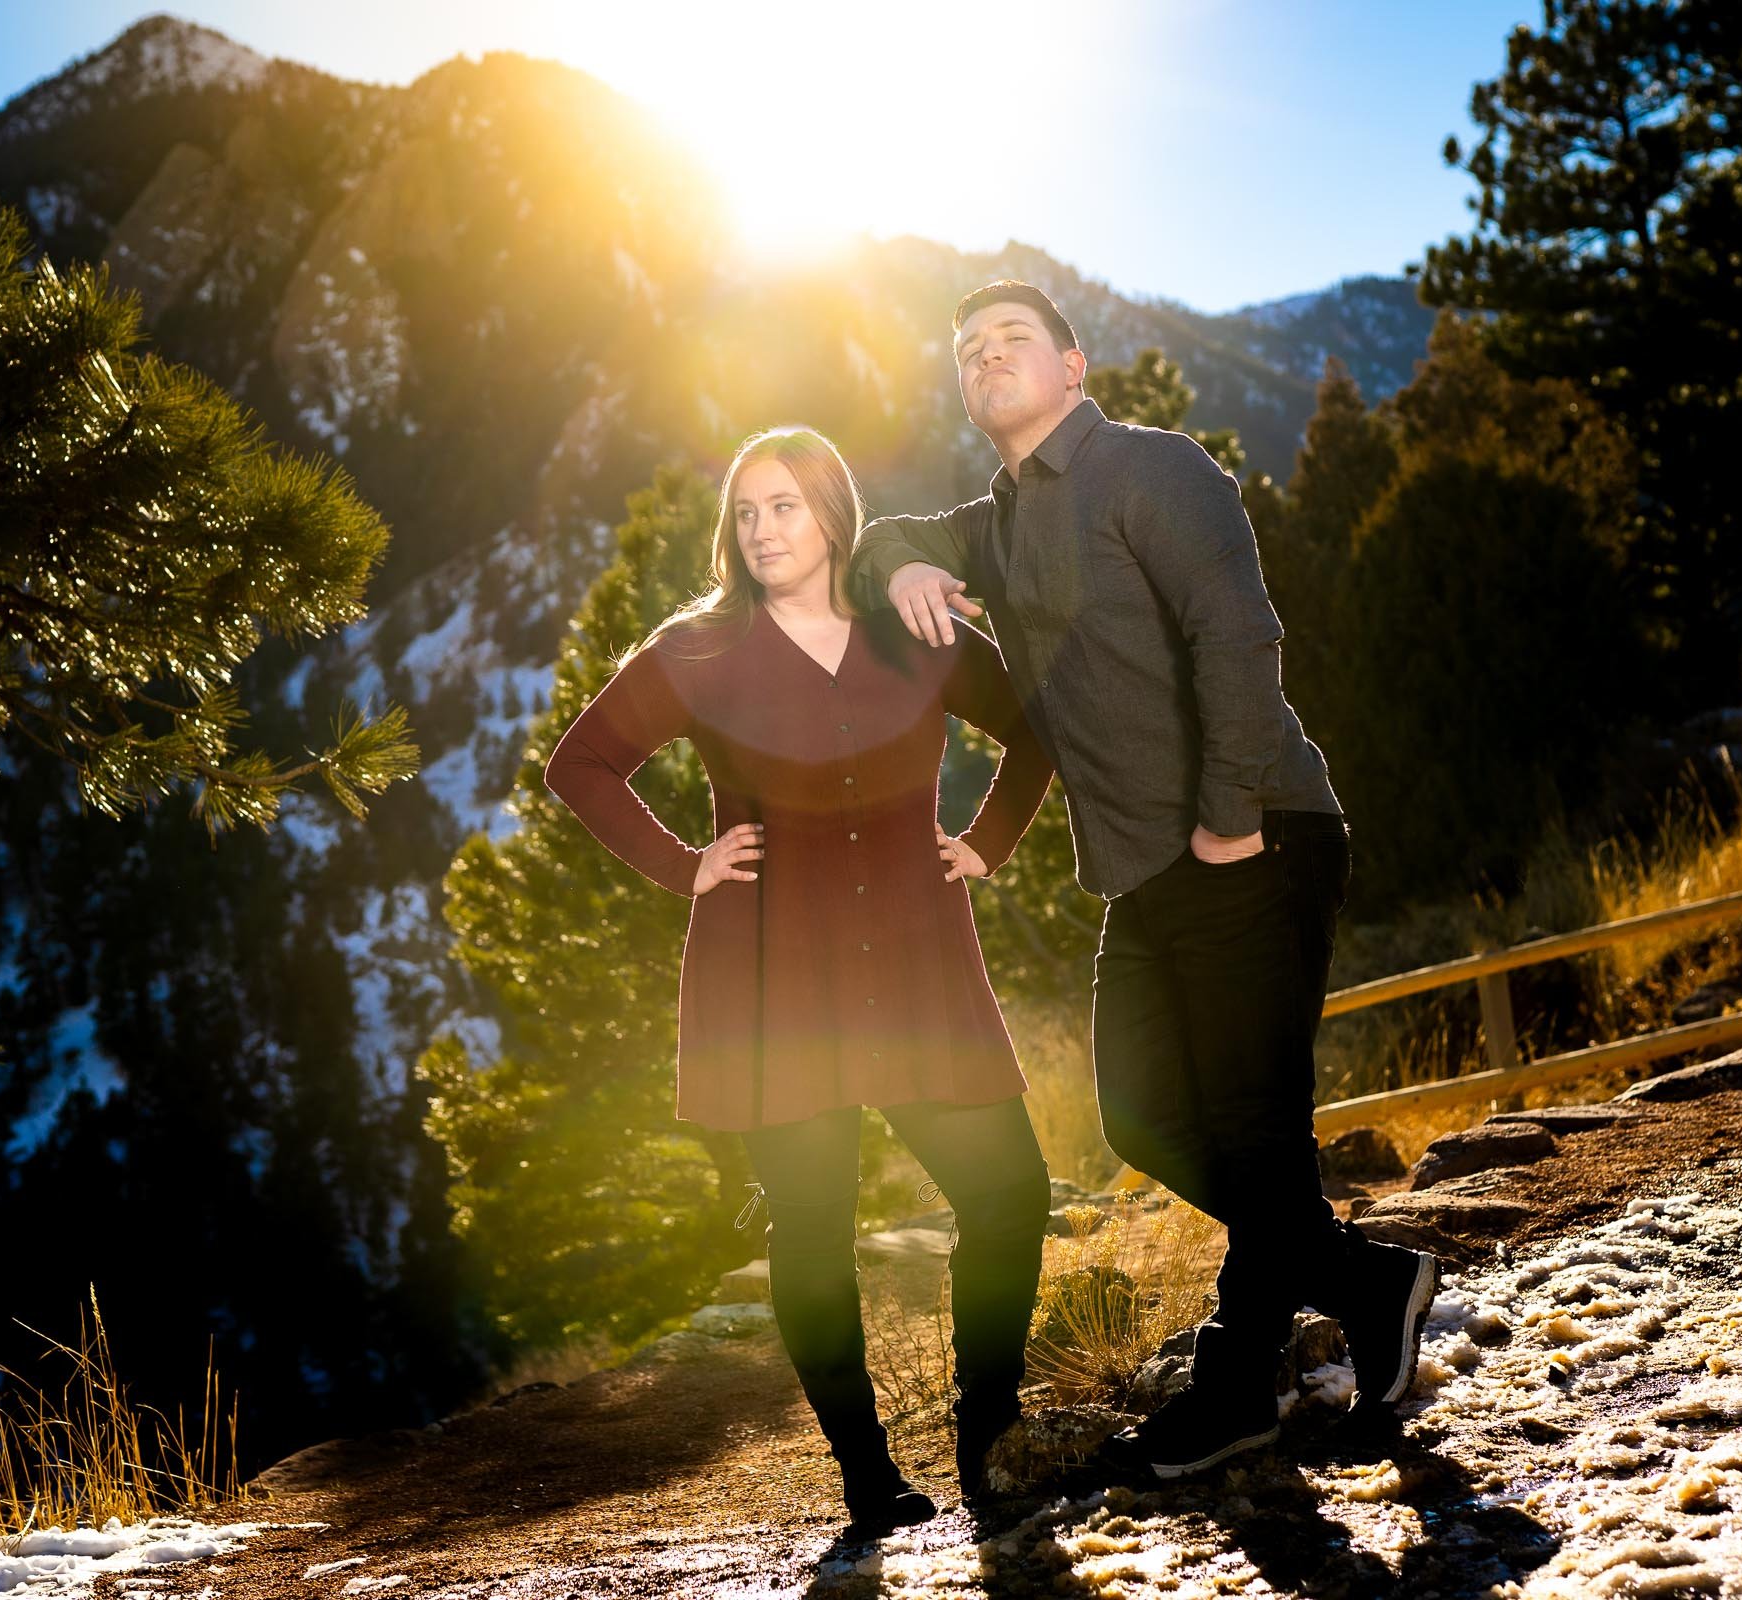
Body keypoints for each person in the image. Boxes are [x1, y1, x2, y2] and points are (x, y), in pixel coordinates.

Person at [848, 281, 1440, 1478]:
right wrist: (903, 562)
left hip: (1254, 833)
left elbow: (1240, 635)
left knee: (1251, 1129)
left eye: (1014, 339)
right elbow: (883, 535)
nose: (988, 358)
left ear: (1073, 366)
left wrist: (1226, 820)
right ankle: (1368, 1281)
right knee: (1143, 1114)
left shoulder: (1152, 468)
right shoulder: (997, 524)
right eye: (969, 350)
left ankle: (1237, 1388)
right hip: (1144, 875)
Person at [544, 425, 1058, 1533]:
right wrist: (686, 866)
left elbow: (1036, 729)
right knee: (815, 1228)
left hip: (920, 964)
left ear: (833, 514)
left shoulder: (909, 632)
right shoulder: (699, 649)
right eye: (747, 511)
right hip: (774, 977)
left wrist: (988, 840)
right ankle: (868, 1475)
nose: (765, 528)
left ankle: (990, 1433)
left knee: (1010, 1191)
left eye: (786, 505)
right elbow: (577, 765)